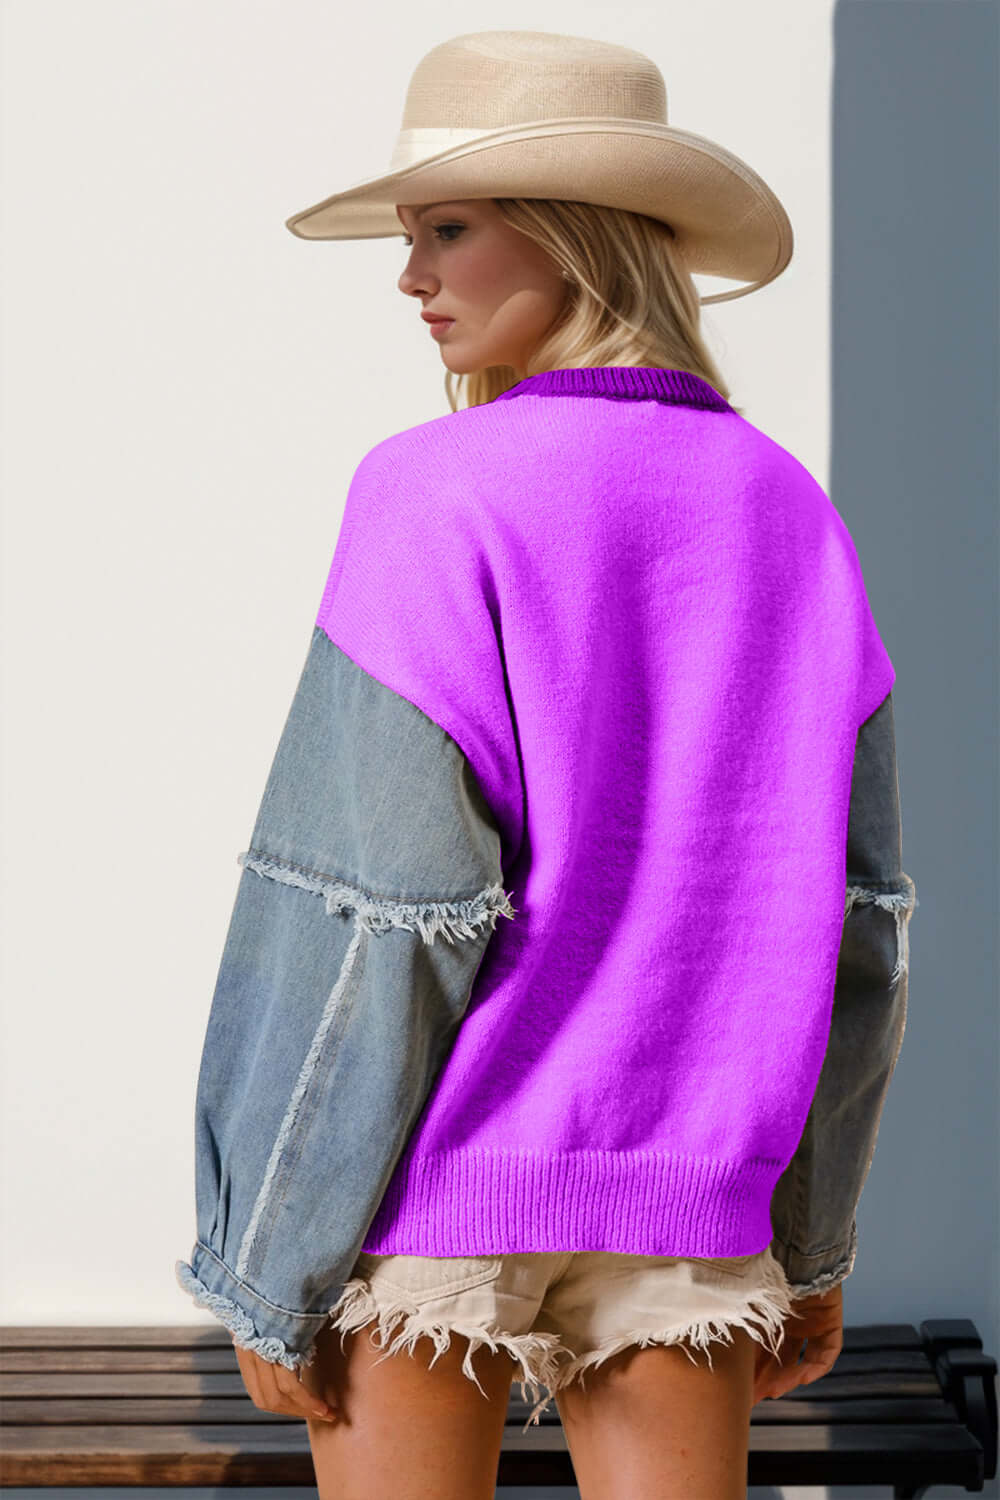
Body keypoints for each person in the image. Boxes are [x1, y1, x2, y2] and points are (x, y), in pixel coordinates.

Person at [176, 30, 917, 1500]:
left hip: (433, 1189)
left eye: (445, 228)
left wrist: (270, 1246)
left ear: (577, 230)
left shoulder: (432, 490)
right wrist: (814, 1235)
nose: (411, 280)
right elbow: (860, 914)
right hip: (689, 1192)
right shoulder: (784, 505)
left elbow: (375, 908)